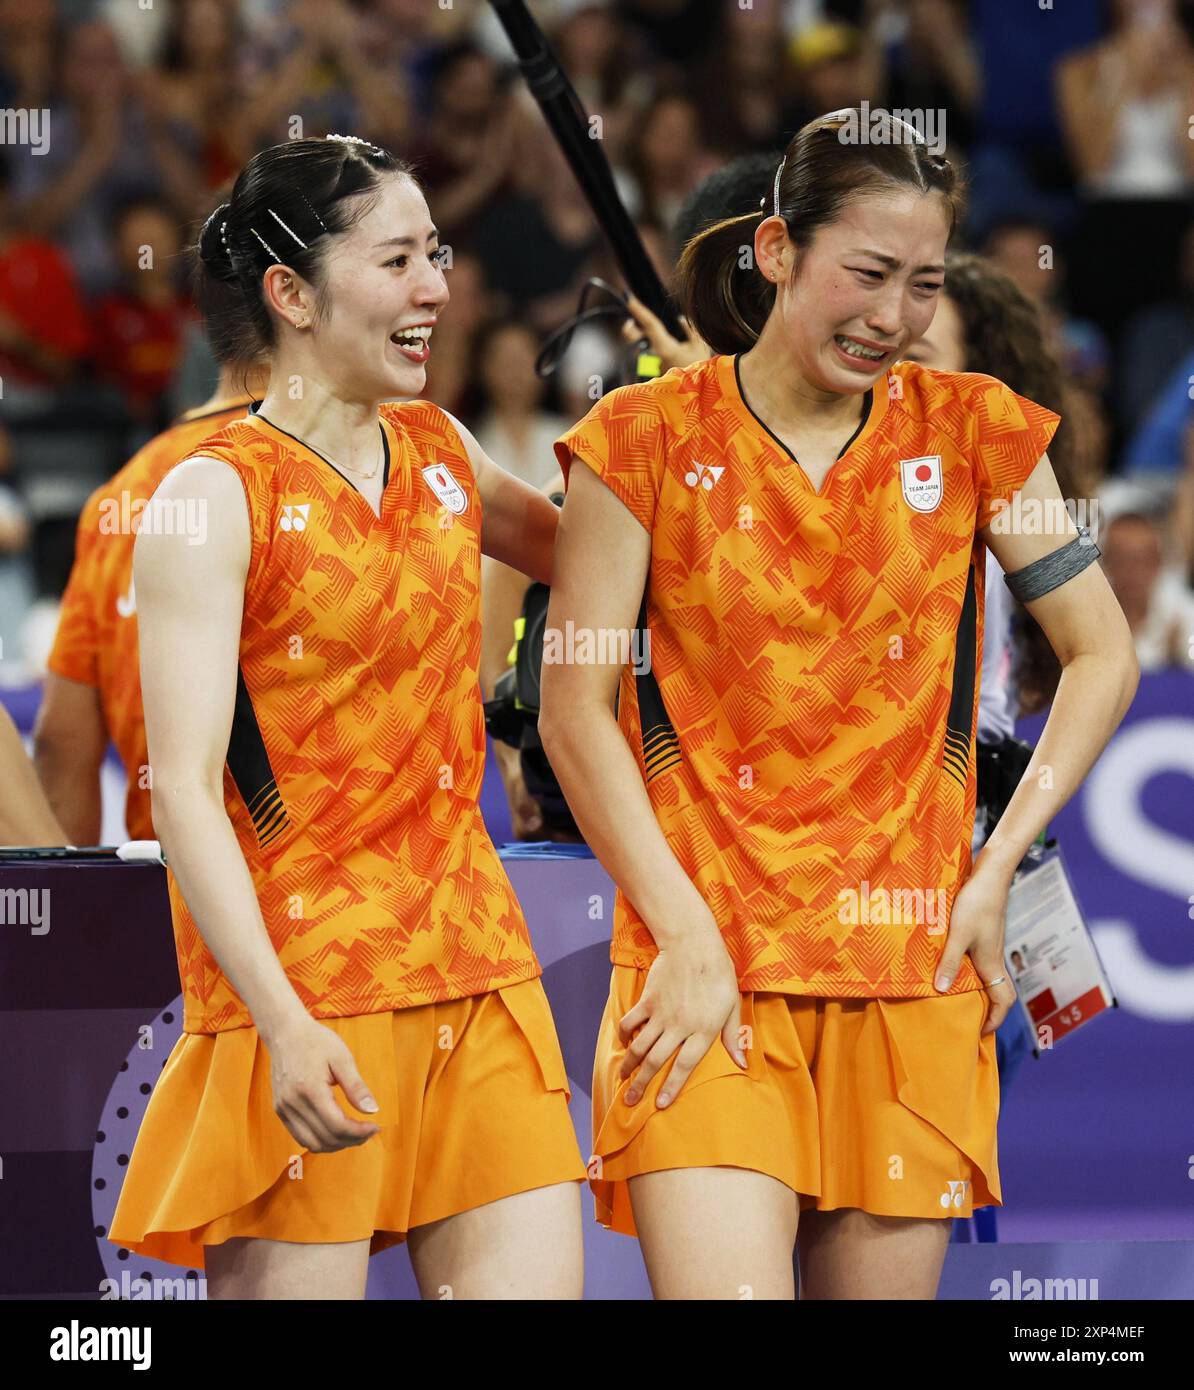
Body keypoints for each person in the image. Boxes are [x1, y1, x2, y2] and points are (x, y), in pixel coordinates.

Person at [540, 108, 1139, 1300]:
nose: (894, 317)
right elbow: (574, 709)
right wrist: (685, 927)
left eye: (922, 283)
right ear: (775, 252)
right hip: (704, 973)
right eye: (867, 274)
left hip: (910, 971)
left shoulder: (975, 432)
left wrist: (993, 865)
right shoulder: (640, 437)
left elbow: (1102, 655)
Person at [107, 134, 586, 1300]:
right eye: (400, 260)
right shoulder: (210, 496)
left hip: (476, 970)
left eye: (439, 253)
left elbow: (597, 558)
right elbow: (182, 795)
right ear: (292, 293)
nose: (438, 289)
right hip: (307, 990)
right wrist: (279, 1020)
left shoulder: (440, 447)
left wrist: (685, 421)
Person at [34, 265, 268, 846]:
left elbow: (63, 745)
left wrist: (73, 914)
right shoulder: (343, 467)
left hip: (170, 891)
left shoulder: (120, 496)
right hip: (348, 890)